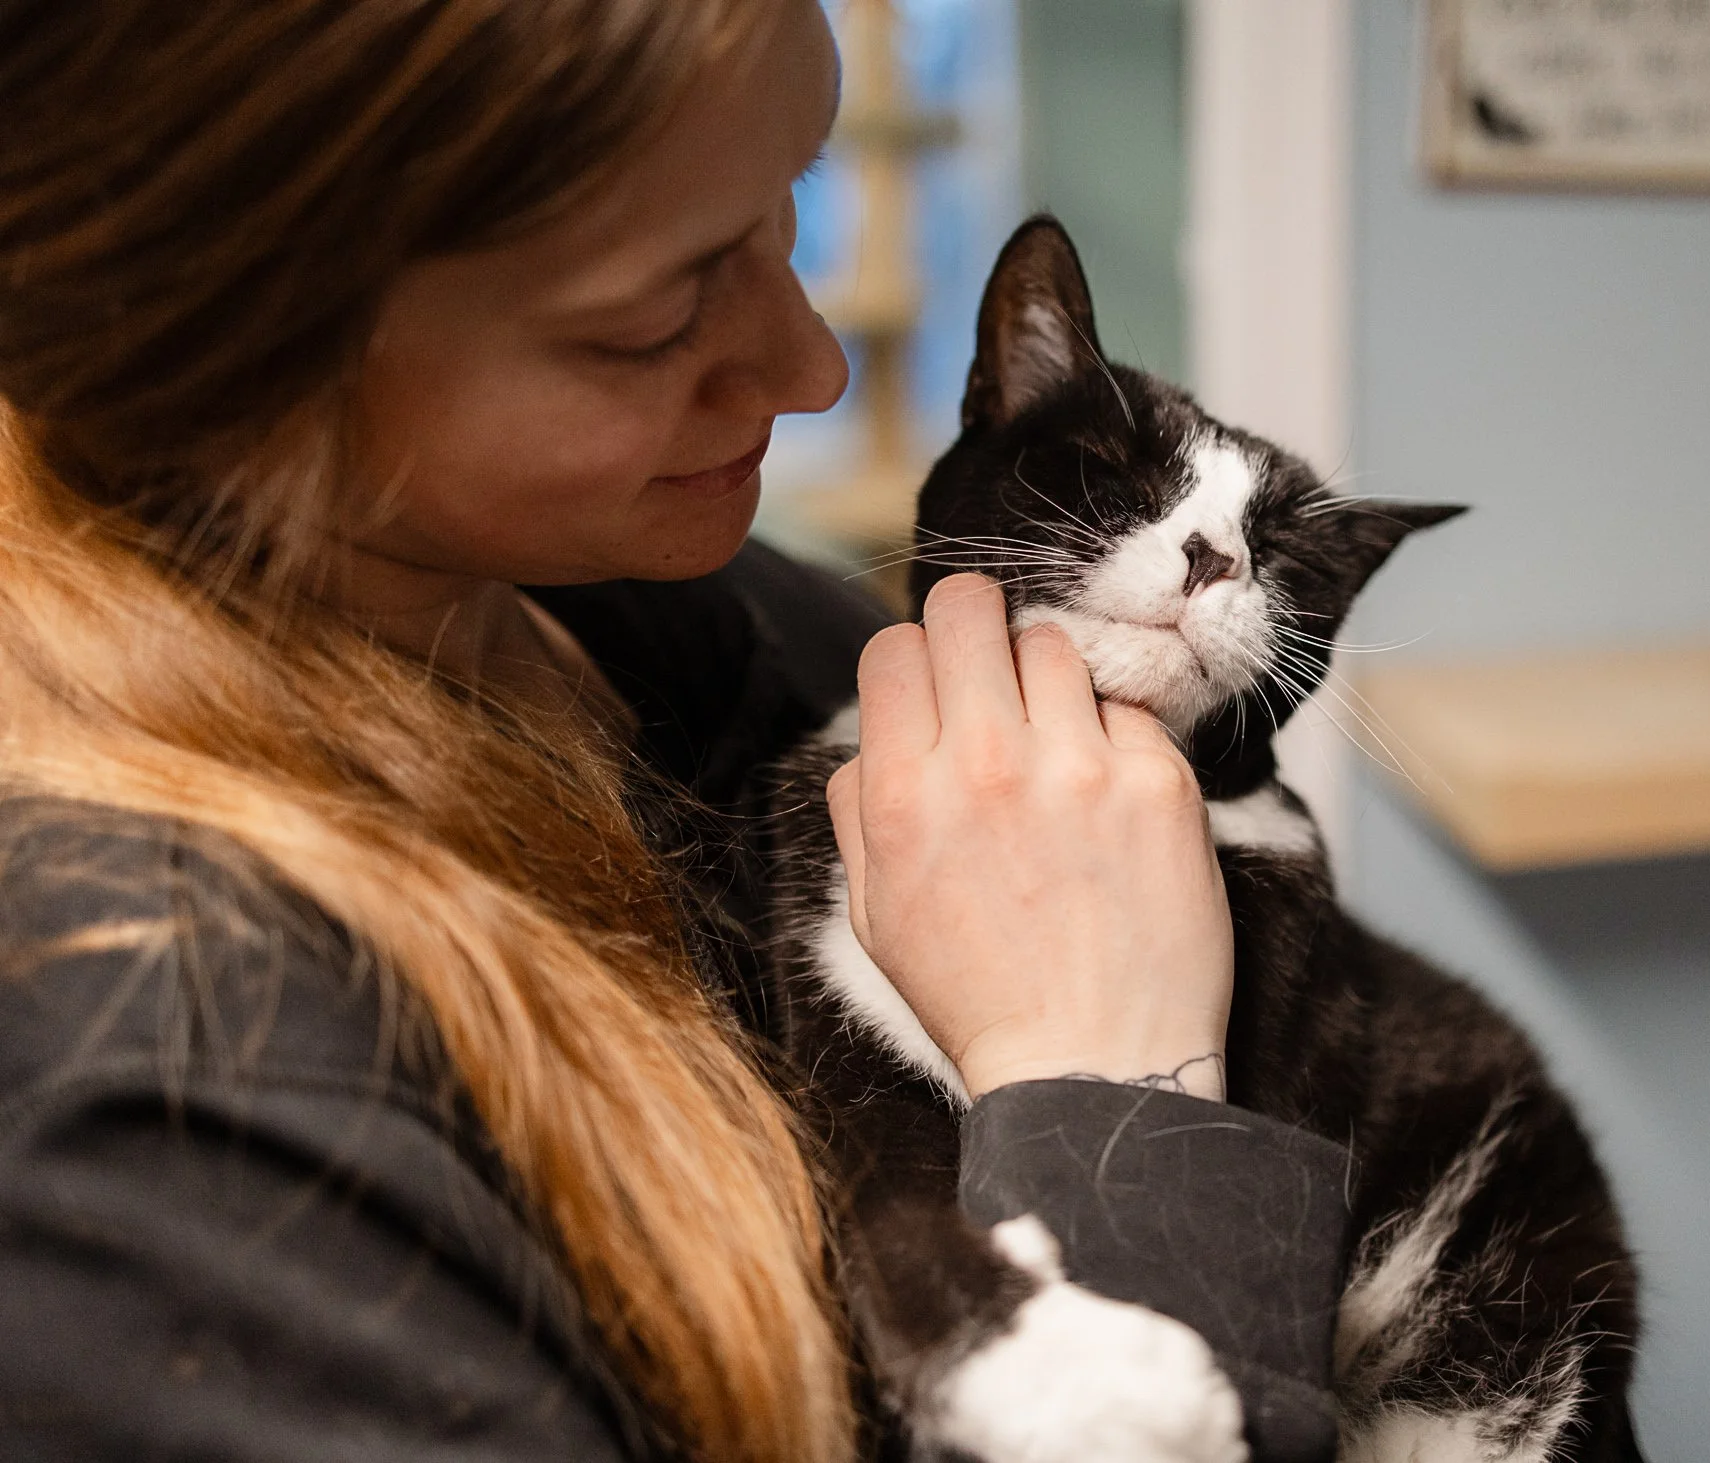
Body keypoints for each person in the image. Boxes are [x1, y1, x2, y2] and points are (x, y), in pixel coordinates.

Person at [0, 3, 1355, 1460]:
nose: (813, 365)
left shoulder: (702, 613)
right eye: (655, 317)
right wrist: (1119, 1105)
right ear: (234, 345)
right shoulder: (155, 1106)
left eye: (791, 209)